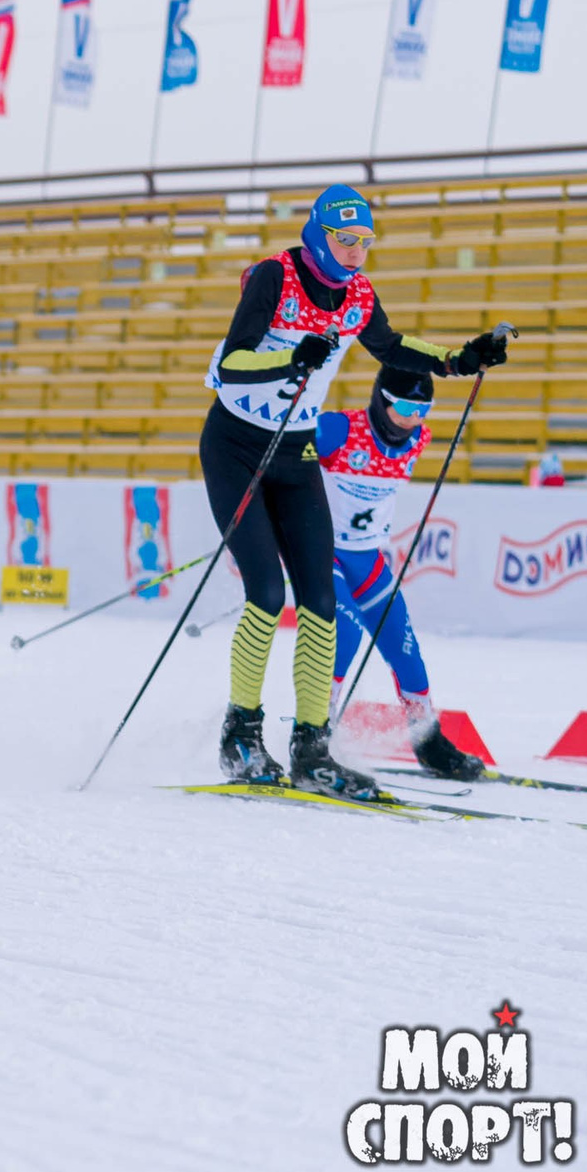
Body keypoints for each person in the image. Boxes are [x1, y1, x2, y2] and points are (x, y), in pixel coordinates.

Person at [203, 183, 508, 799]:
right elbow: (231, 363)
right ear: (319, 234)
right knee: (266, 592)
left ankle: (312, 747)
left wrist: (460, 358)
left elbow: (391, 347)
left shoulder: (359, 295)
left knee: (319, 600)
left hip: (296, 451)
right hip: (237, 447)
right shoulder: (275, 276)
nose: (357, 252)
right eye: (347, 240)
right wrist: (290, 360)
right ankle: (240, 735)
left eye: (366, 241)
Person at [317, 367, 484, 781]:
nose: (413, 419)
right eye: (406, 407)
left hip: (369, 559)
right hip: (322, 553)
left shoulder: (418, 440)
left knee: (405, 649)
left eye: (423, 410)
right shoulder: (337, 428)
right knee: (346, 635)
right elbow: (283, 461)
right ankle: (316, 736)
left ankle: (428, 742)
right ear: (382, 398)